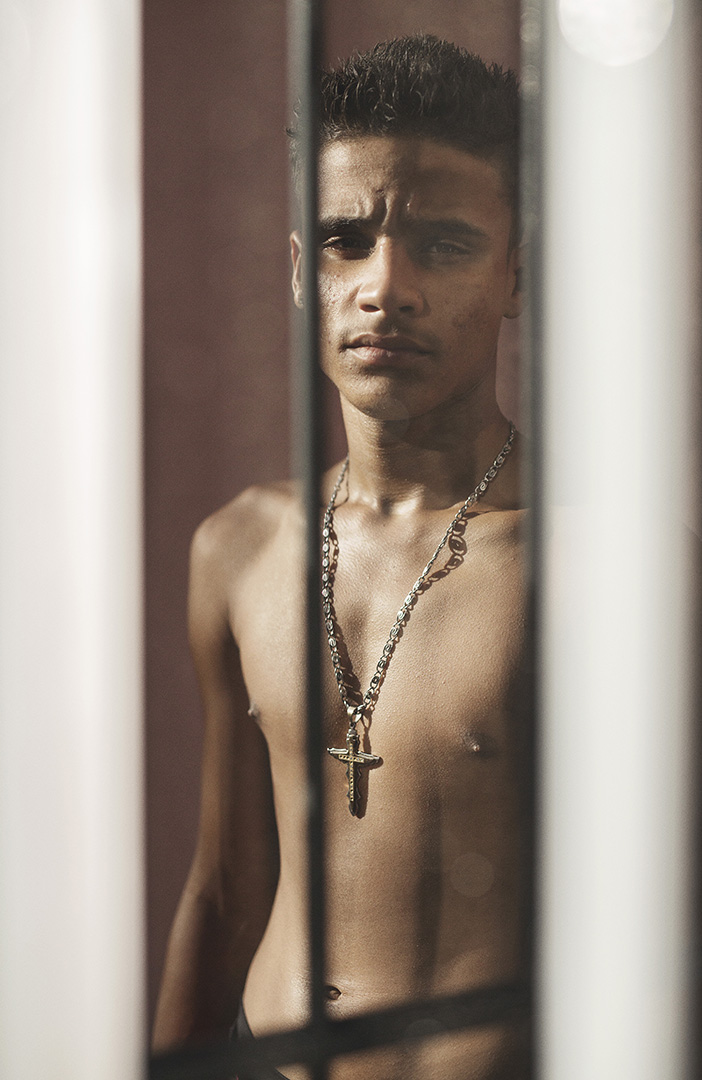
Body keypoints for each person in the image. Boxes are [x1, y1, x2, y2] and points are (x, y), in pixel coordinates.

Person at [152, 35, 533, 1080]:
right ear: (296, 270)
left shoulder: (602, 569)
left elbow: (676, 931)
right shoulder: (240, 547)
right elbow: (224, 890)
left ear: (516, 271)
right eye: (344, 240)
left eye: (443, 244)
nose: (385, 287)